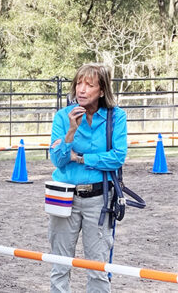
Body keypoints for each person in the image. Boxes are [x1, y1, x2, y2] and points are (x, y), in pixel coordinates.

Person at [49, 63, 127, 293]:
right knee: (60, 265)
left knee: (98, 269)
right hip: (63, 197)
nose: (81, 90)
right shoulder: (63, 117)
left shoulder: (116, 117)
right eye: (79, 84)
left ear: (102, 91)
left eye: (89, 85)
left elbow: (117, 157)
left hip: (99, 199)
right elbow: (58, 159)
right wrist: (71, 131)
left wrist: (81, 158)